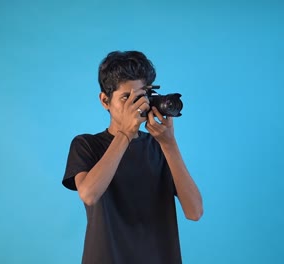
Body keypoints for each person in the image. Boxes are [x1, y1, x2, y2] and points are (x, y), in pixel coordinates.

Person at [62, 50, 203, 264]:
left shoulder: (160, 146)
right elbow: (89, 194)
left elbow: (194, 211)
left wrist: (170, 144)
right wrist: (126, 134)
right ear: (104, 101)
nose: (136, 106)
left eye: (141, 97)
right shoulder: (86, 145)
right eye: (126, 98)